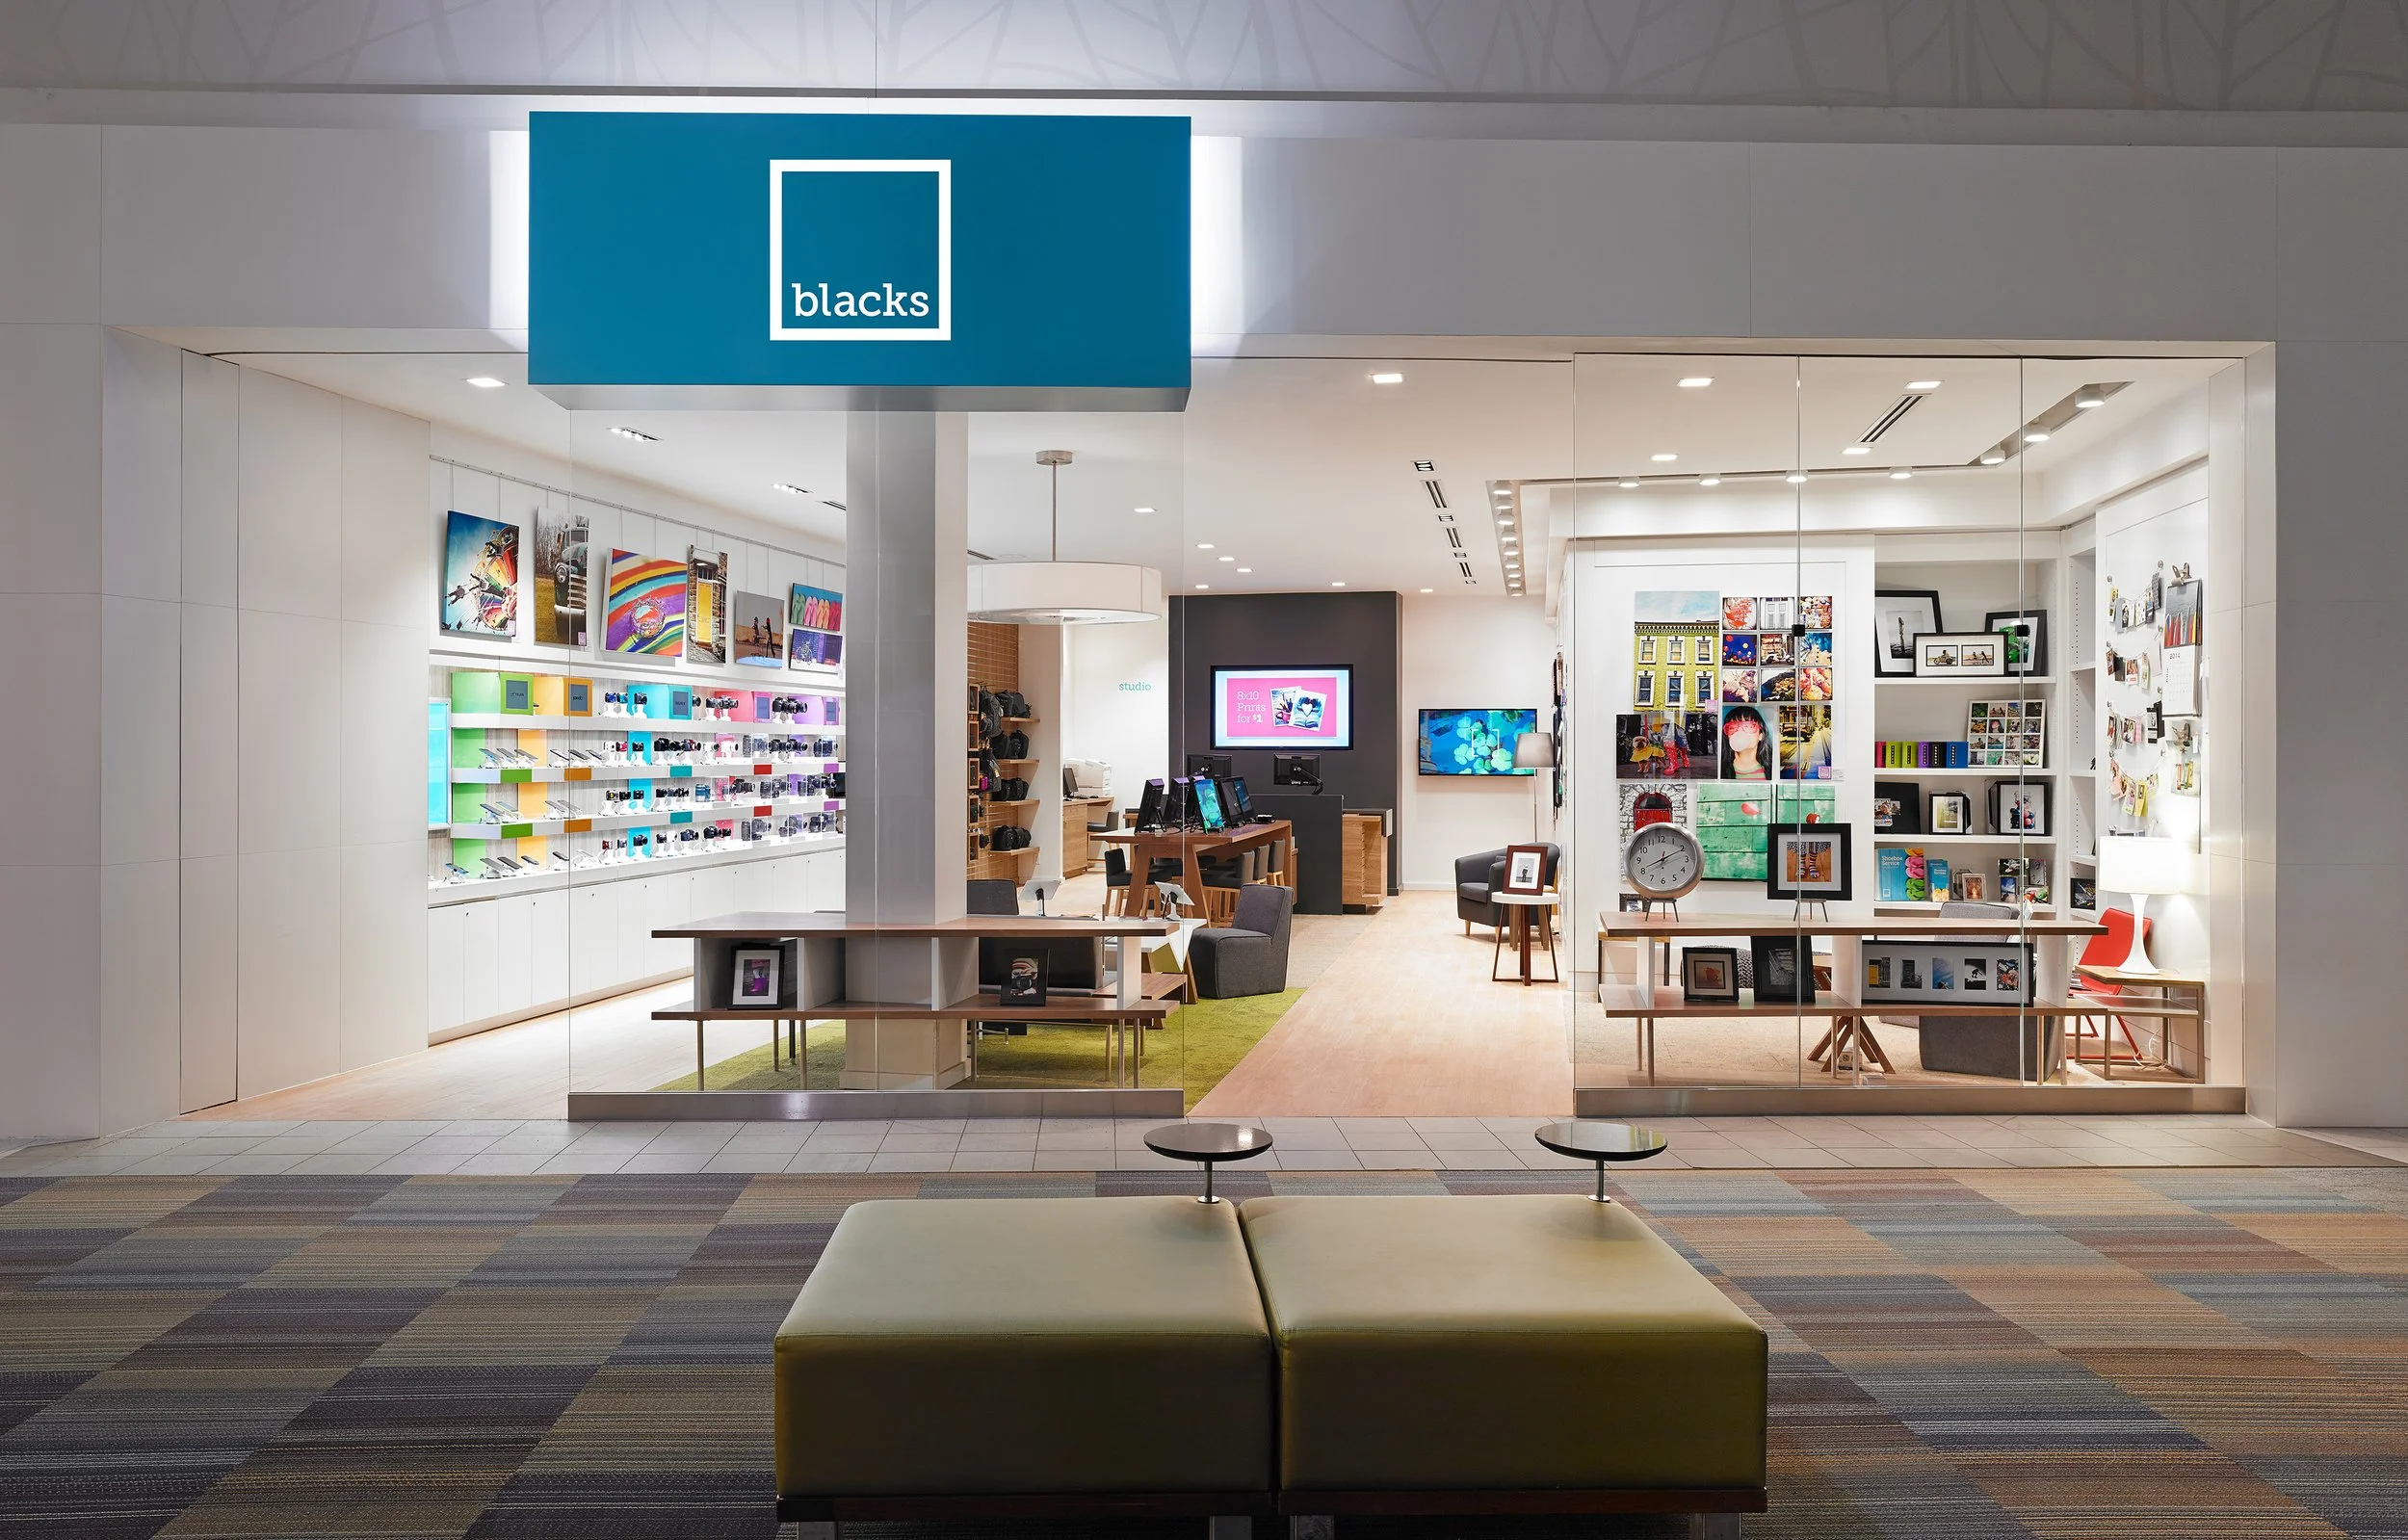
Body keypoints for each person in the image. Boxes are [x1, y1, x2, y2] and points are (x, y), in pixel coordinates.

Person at [1721, 706, 1770, 780]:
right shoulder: (1719, 770)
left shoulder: (1774, 771)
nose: (1739, 731)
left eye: (1748, 726)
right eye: (1732, 727)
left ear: (1761, 735)